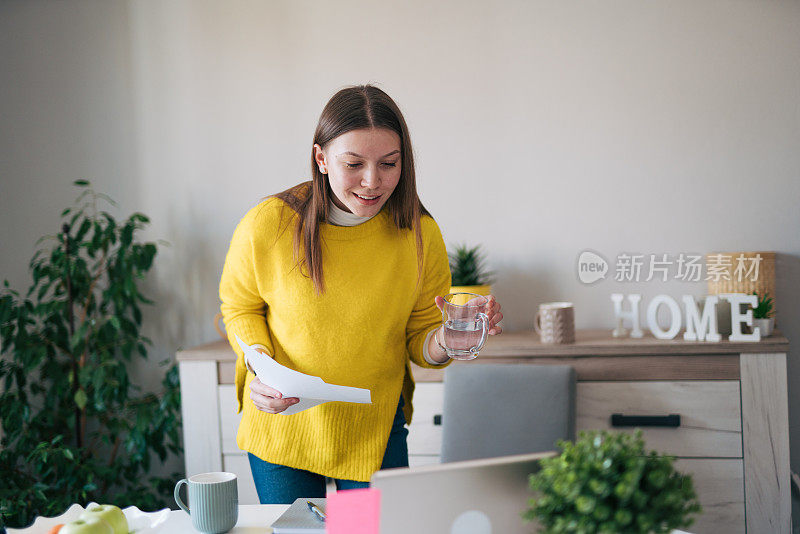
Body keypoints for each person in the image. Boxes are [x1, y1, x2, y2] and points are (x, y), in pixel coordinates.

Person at [219, 84, 503, 504]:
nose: (373, 182)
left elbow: (422, 336)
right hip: (284, 428)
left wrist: (446, 339)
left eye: (389, 164)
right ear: (321, 159)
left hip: (373, 431)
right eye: (354, 164)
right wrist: (259, 364)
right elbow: (240, 307)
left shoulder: (420, 234)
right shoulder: (268, 224)